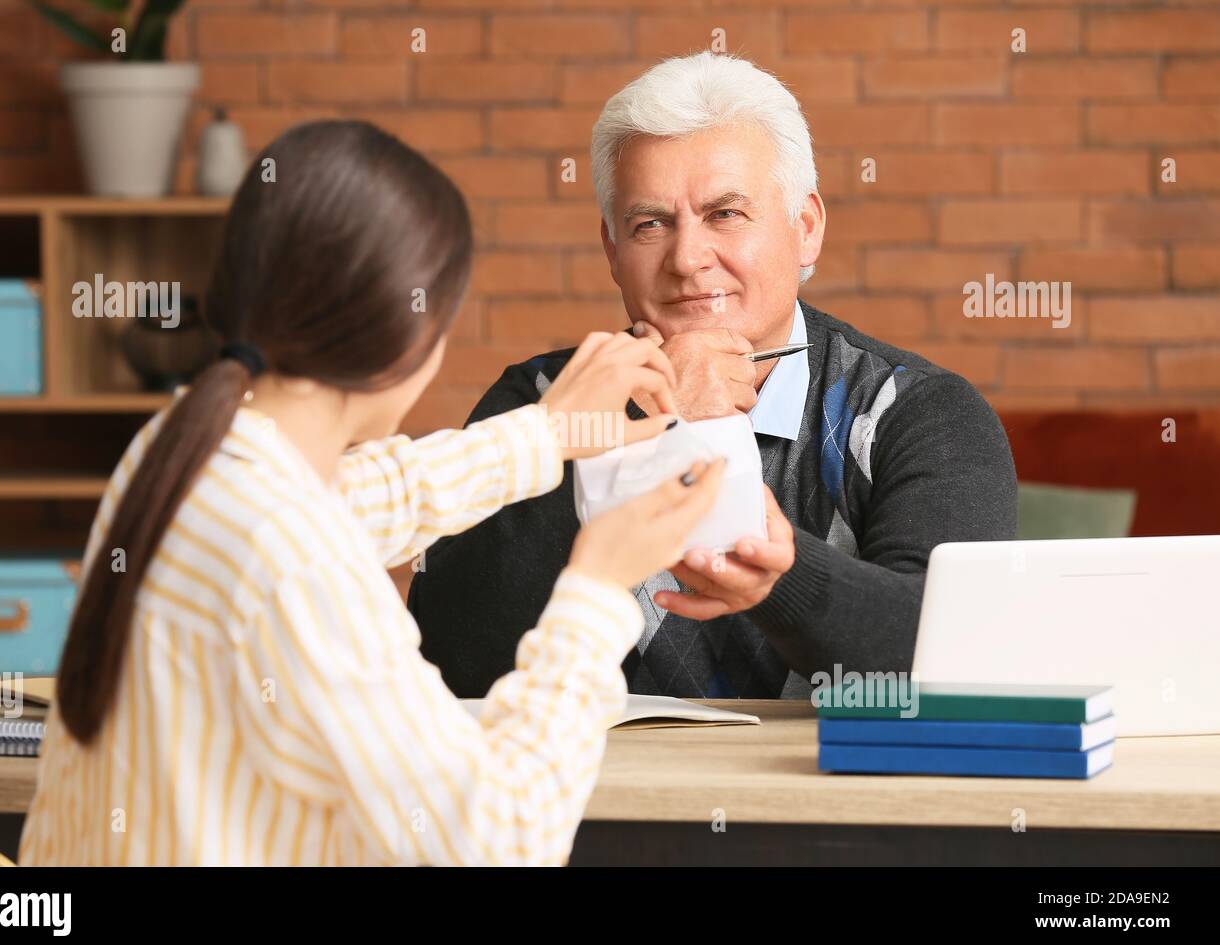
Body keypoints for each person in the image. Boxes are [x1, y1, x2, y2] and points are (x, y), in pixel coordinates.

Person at [18, 120, 724, 867]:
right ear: (410, 338)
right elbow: (494, 840)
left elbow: (375, 496)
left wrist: (549, 433)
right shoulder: (290, 552)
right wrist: (597, 586)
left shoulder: (185, 446)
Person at [409, 52, 1017, 700]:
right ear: (614, 251)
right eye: (651, 224)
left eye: (725, 214)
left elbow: (956, 654)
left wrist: (781, 580)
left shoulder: (916, 413)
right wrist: (635, 431)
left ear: (805, 229)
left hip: (824, 802)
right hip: (593, 799)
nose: (688, 258)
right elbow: (445, 658)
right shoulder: (537, 405)